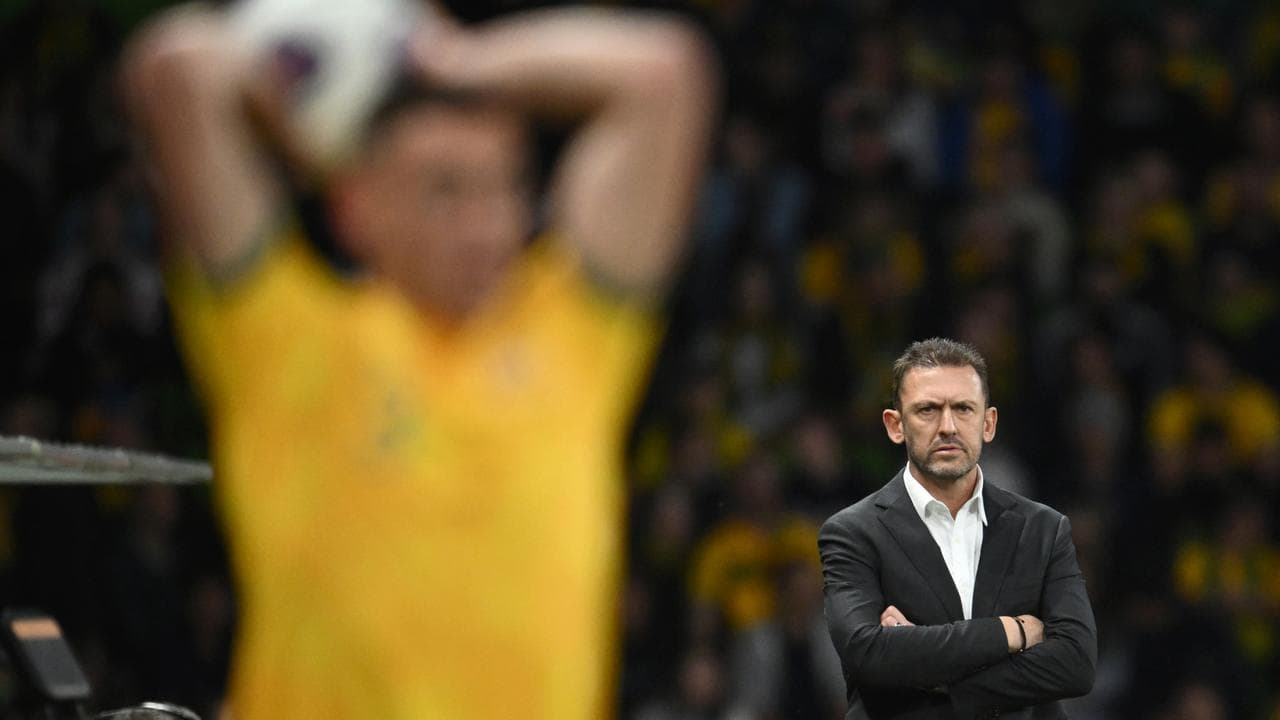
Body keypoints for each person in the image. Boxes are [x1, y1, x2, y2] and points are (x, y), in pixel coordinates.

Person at [121, 2, 714, 718]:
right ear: (354, 204)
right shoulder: (284, 334)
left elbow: (662, 74)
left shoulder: (572, 333)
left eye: (506, 186)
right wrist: (319, 110)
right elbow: (177, 68)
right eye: (444, 189)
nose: (487, 224)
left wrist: (455, 61)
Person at [818, 337, 1096, 719]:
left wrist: (937, 680)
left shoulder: (1044, 529)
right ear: (895, 425)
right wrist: (1011, 632)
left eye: (963, 409)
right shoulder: (853, 533)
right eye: (928, 410)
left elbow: (1076, 664)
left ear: (988, 423)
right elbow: (869, 654)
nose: (947, 426)